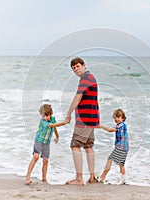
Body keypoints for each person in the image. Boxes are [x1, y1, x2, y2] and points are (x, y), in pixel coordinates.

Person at [65, 57, 100, 185]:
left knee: (75, 145)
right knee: (88, 147)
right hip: (92, 117)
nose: (76, 69)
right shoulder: (90, 77)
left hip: (85, 118)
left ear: (84, 65)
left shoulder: (85, 78)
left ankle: (79, 179)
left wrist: (68, 113)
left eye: (77, 66)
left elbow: (78, 97)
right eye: (73, 68)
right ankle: (92, 177)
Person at [26, 104, 66, 185]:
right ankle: (28, 176)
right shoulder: (43, 121)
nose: (45, 117)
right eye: (43, 116)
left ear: (51, 114)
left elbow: (54, 128)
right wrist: (65, 122)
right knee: (36, 157)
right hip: (39, 140)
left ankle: (44, 178)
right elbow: (52, 125)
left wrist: (57, 136)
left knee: (46, 160)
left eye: (47, 116)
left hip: (47, 142)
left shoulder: (53, 119)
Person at [97, 108, 129, 185]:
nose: (116, 119)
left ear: (123, 118)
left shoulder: (121, 125)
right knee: (121, 164)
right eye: (115, 117)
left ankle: (102, 177)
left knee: (110, 159)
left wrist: (101, 126)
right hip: (125, 148)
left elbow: (110, 130)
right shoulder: (122, 125)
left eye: (118, 117)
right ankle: (124, 179)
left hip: (120, 147)